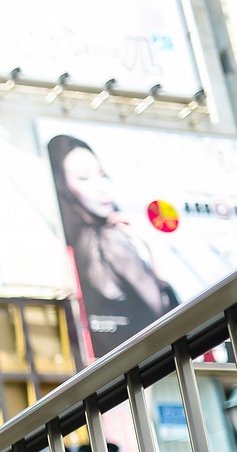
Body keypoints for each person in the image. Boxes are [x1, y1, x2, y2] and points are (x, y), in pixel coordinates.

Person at [47, 134, 179, 358]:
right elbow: (168, 315)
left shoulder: (78, 241)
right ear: (65, 187)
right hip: (145, 358)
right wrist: (151, 243)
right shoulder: (111, 239)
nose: (101, 188)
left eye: (101, 174)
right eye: (83, 178)